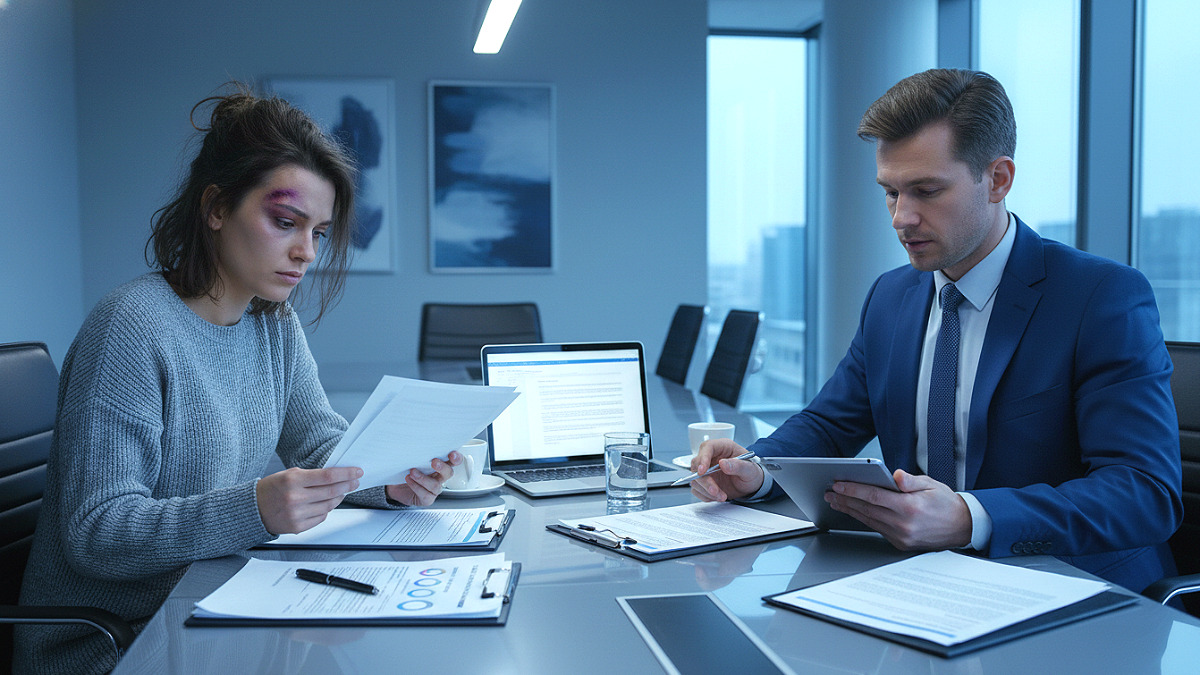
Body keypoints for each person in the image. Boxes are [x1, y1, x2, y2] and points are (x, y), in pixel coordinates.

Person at [14, 85, 462, 675]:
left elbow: (323, 446)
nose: (306, 252)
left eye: (319, 232)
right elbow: (97, 531)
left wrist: (390, 481)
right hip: (116, 644)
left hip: (216, 608)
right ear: (217, 207)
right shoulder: (130, 327)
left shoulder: (272, 323)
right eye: (285, 221)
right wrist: (255, 508)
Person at [691, 68, 1182, 594]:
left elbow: (1144, 493)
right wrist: (758, 468)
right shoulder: (891, 296)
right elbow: (830, 424)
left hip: (1071, 591)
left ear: (998, 180)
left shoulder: (1099, 296)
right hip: (921, 585)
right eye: (890, 193)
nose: (902, 218)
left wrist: (969, 518)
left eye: (926, 191)